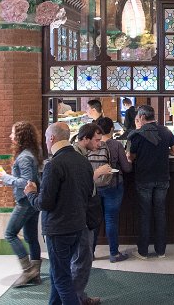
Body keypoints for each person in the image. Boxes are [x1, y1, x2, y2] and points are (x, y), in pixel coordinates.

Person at [25, 122, 94, 305]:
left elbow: (44, 203)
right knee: (60, 274)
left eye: (46, 139)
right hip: (78, 226)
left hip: (59, 229)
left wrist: (31, 193)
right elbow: (88, 193)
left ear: (51, 138)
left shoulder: (54, 165)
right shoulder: (83, 161)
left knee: (62, 279)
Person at [127, 105, 174, 259]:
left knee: (145, 214)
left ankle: (143, 251)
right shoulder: (165, 131)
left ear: (142, 117)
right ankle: (161, 251)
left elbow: (131, 157)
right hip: (162, 178)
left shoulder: (137, 135)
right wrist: (164, 151)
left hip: (144, 178)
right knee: (160, 213)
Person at [0, 121, 42, 288]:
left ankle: (28, 270)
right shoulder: (32, 153)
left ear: (21, 136)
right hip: (32, 200)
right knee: (30, 237)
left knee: (10, 234)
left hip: (26, 201)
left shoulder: (24, 157)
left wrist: (4, 177)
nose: (10, 136)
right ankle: (35, 273)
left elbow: (26, 181)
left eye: (13, 133)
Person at [69, 124, 108, 305]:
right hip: (80, 215)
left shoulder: (80, 155)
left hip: (84, 213)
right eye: (97, 140)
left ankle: (77, 296)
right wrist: (97, 173)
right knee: (82, 259)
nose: (99, 144)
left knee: (82, 259)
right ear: (85, 138)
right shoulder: (75, 157)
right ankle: (75, 298)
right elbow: (78, 184)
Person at [93, 116, 132, 262]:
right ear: (111, 129)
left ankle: (90, 253)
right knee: (111, 220)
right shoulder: (115, 145)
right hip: (113, 186)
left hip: (95, 187)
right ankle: (114, 253)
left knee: (94, 221)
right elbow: (127, 168)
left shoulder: (92, 144)